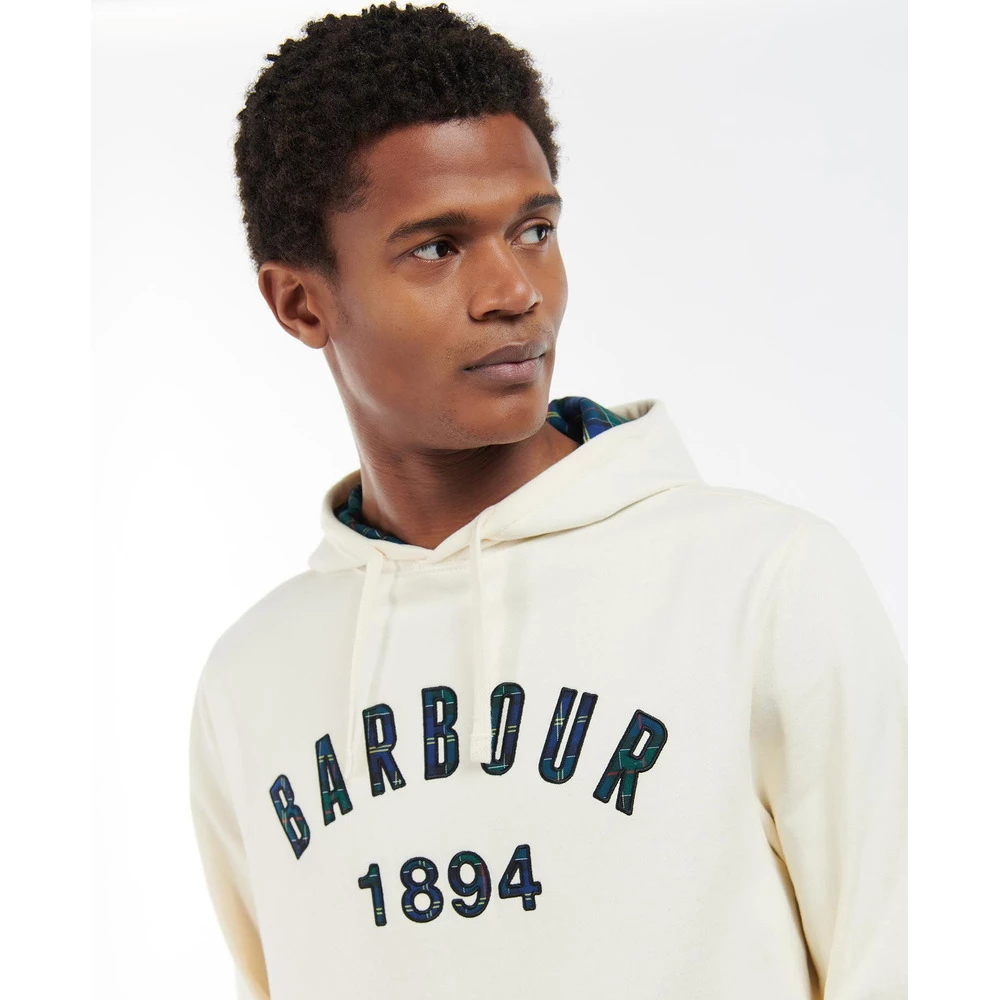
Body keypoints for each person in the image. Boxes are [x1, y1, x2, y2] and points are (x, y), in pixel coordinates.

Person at [188, 4, 907, 998]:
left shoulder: (764, 585)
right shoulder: (250, 681)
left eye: (534, 230)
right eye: (437, 248)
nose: (514, 291)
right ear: (301, 302)